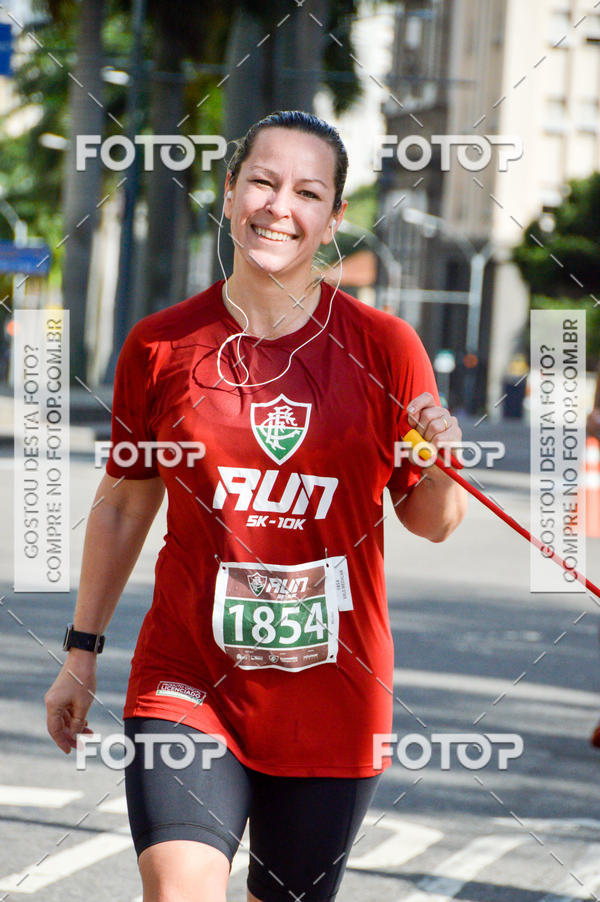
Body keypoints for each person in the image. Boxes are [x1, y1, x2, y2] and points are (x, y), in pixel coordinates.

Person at [45, 111, 468, 902]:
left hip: (332, 693)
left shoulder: (385, 348)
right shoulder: (161, 344)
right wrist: (82, 651)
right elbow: (123, 506)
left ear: (334, 218)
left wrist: (438, 459)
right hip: (188, 679)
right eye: (263, 182)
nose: (280, 206)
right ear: (231, 191)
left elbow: (434, 521)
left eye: (308, 192)